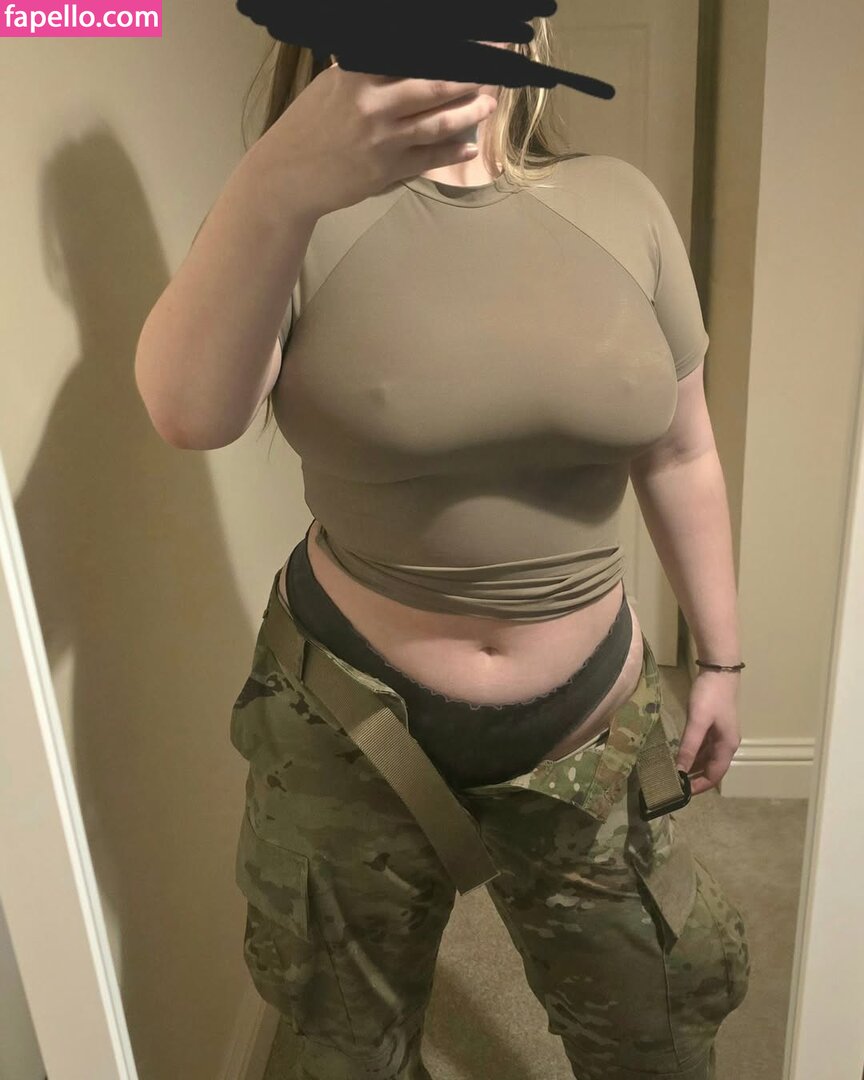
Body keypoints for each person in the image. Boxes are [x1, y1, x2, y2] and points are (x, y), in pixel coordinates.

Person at [136, 19, 751, 1079]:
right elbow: (189, 415)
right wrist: (274, 183)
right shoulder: (288, 215)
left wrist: (723, 661)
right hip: (348, 720)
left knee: (652, 1033)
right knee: (348, 1048)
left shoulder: (624, 204)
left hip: (591, 726)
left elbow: (682, 450)